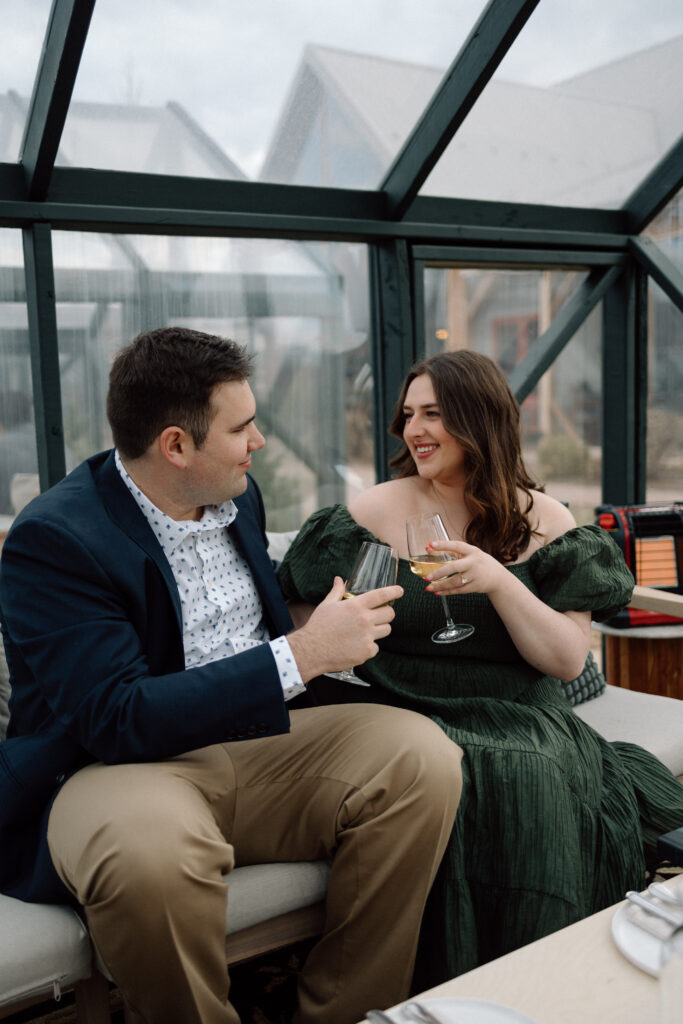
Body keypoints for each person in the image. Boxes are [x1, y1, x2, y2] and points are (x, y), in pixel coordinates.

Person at [0, 328, 465, 1024]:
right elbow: (114, 717)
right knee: (151, 861)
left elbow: (259, 619)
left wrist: (327, 628)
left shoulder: (238, 498)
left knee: (423, 758)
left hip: (258, 742)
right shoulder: (57, 538)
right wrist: (304, 654)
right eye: (242, 427)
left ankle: (345, 1013)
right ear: (176, 446)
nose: (259, 442)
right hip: (115, 768)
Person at [279, 349, 683, 984]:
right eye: (409, 414)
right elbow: (305, 618)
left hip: (520, 710)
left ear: (480, 419)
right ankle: (460, 979)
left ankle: (535, 978)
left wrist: (499, 582)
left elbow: (566, 658)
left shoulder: (545, 521)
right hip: (405, 709)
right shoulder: (369, 512)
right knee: (470, 774)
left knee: (529, 772)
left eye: (434, 413)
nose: (414, 429)